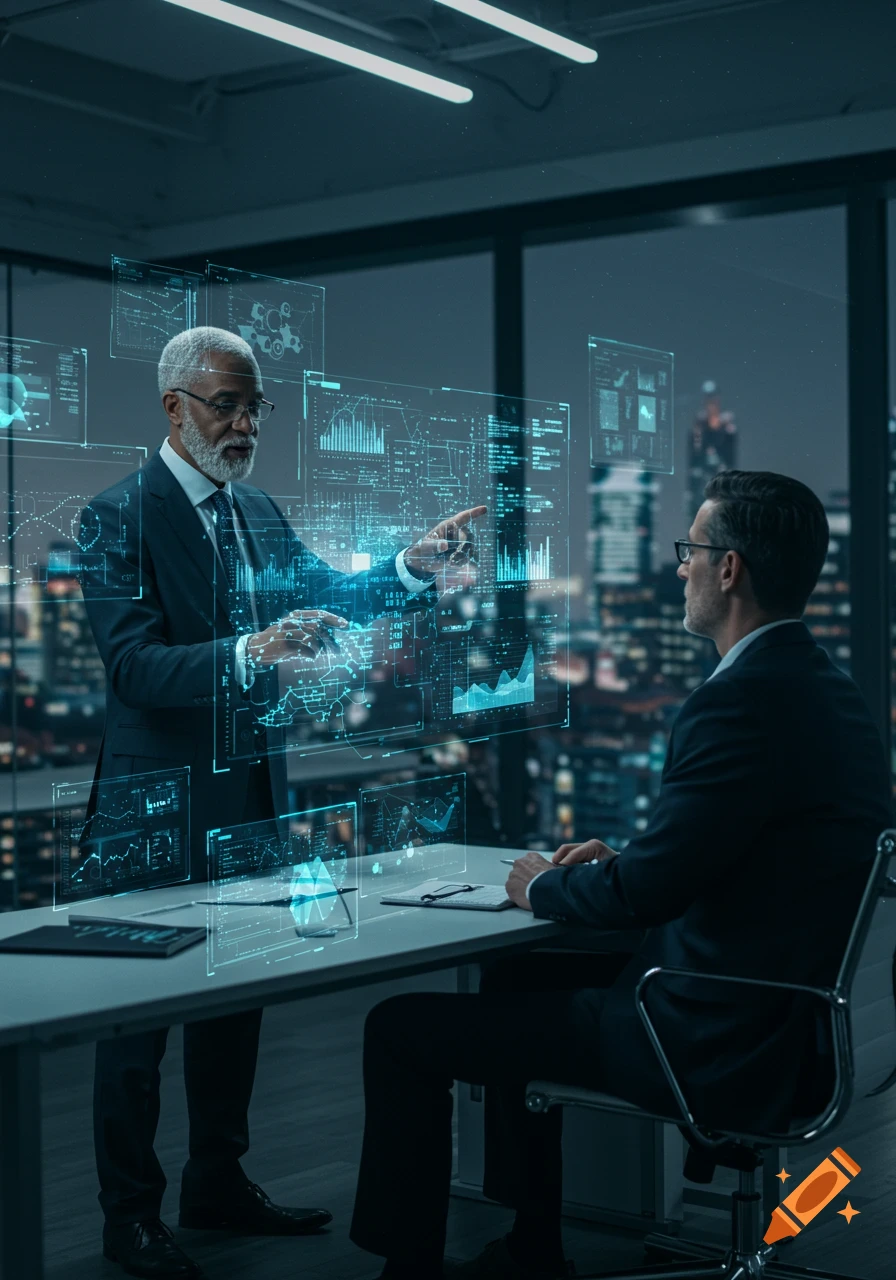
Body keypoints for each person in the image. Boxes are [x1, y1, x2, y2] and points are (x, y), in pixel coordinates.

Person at [349, 469, 893, 1280]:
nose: (680, 567)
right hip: (792, 1022)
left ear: (730, 569)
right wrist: (628, 854)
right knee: (510, 983)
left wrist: (536, 885)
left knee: (399, 1030)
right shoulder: (831, 692)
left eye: (691, 551)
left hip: (711, 1036)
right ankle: (532, 1246)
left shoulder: (736, 701)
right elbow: (740, 850)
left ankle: (413, 1269)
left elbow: (648, 897)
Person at [80, 326, 486, 1280]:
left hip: (249, 795)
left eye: (255, 405)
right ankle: (128, 1216)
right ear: (174, 406)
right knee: (132, 1031)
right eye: (227, 403)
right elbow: (132, 667)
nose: (245, 422)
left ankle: (217, 1183)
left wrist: (410, 568)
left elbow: (321, 592)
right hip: (154, 807)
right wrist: (246, 654)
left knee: (235, 1003)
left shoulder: (256, 511)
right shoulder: (115, 517)